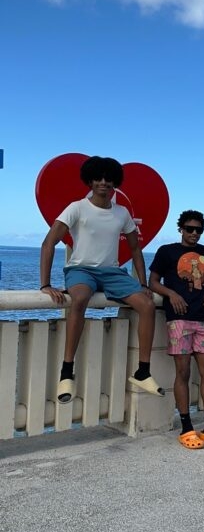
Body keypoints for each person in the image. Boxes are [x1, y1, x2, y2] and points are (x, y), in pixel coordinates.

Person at [40, 155, 164, 404]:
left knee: (147, 305)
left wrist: (142, 282)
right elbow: (49, 243)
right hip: (81, 269)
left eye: (109, 179)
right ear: (89, 181)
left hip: (112, 273)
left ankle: (143, 371)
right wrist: (45, 284)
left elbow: (135, 250)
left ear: (115, 182)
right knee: (81, 298)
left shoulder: (122, 213)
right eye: (98, 178)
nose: (104, 183)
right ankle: (66, 372)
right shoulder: (77, 208)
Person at [148, 211, 204, 450]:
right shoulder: (166, 251)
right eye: (189, 228)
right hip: (179, 320)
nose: (194, 233)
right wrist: (171, 293)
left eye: (198, 230)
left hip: (203, 319)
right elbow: (153, 281)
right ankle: (186, 429)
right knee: (183, 372)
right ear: (181, 229)